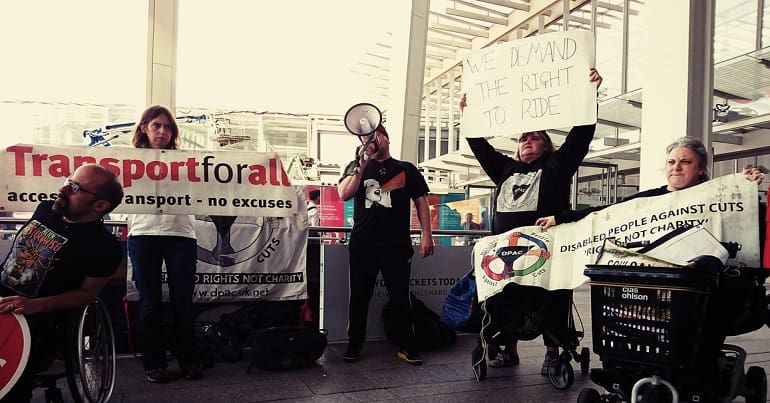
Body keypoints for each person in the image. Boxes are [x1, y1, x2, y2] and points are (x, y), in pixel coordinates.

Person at [535, 136, 764, 391]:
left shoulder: (719, 196)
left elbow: (748, 224)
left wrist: (746, 188)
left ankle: (701, 383)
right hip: (659, 289)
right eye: (671, 161)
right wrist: (560, 218)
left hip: (704, 292)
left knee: (702, 332)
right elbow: (605, 213)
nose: (676, 167)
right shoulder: (649, 201)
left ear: (700, 168)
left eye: (685, 162)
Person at [463, 68, 603, 371]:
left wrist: (590, 95)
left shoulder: (556, 166)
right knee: (506, 299)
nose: (528, 141)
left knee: (550, 298)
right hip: (508, 252)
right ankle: (507, 348)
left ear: (546, 146)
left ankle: (554, 352)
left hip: (546, 250)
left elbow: (581, 137)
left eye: (536, 137)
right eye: (524, 137)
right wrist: (469, 114)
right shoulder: (504, 169)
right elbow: (480, 146)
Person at [0, 163, 124, 403]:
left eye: (75, 187)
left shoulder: (104, 246)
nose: (63, 189)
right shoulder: (45, 210)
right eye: (68, 181)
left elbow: (87, 294)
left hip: (40, 319)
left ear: (100, 205)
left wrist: (35, 305)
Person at [337, 123, 434, 365]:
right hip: (363, 244)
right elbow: (343, 194)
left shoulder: (406, 169)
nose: (370, 141)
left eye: (374, 136)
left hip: (397, 245)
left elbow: (421, 201)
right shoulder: (356, 166)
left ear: (386, 138)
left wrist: (427, 234)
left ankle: (407, 345)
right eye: (365, 138)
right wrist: (361, 166)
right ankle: (355, 342)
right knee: (359, 295)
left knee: (401, 297)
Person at [127, 105, 203, 383]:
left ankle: (188, 359)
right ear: (144, 128)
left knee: (183, 302)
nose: (162, 131)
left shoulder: (187, 161)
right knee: (150, 303)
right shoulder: (126, 160)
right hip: (143, 234)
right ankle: (154, 362)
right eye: (156, 125)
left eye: (167, 127)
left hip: (181, 234)